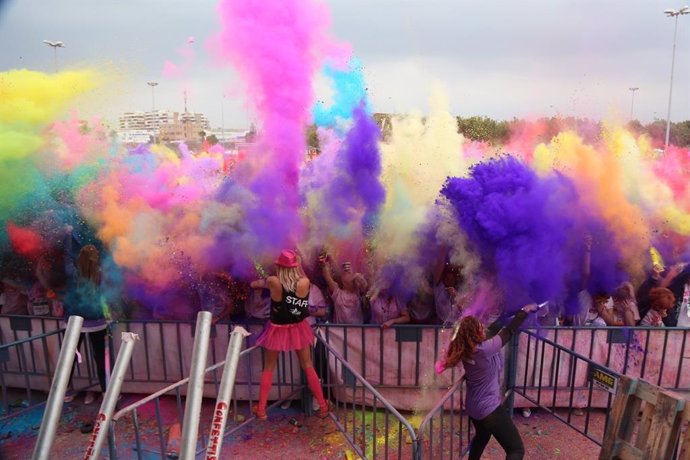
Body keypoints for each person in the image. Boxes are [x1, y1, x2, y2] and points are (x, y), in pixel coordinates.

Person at [436, 303, 539, 460]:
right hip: (488, 409)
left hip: (474, 407)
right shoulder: (484, 349)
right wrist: (524, 312)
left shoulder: (466, 348)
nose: (483, 328)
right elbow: (508, 332)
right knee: (516, 450)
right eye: (479, 327)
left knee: (482, 437)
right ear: (474, 333)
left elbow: (493, 330)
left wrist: (507, 313)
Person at [249, 249, 329, 420]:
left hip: (277, 328)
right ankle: (323, 406)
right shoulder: (305, 282)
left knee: (268, 367)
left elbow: (253, 285)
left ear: (279, 266)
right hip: (298, 327)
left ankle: (262, 409)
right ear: (296, 266)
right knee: (308, 365)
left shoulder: (272, 281)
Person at [63, 244, 110, 405]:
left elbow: (67, 258)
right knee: (101, 359)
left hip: (74, 323)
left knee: (69, 358)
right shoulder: (100, 275)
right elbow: (107, 297)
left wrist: (67, 237)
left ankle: (66, 391)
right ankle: (106, 392)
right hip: (97, 322)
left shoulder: (73, 274)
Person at [320, 254, 366, 324]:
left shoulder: (357, 292)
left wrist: (356, 275)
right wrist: (325, 263)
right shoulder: (337, 293)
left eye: (349, 272)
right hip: (340, 333)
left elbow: (364, 285)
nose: (346, 272)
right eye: (344, 272)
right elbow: (327, 277)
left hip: (357, 332)